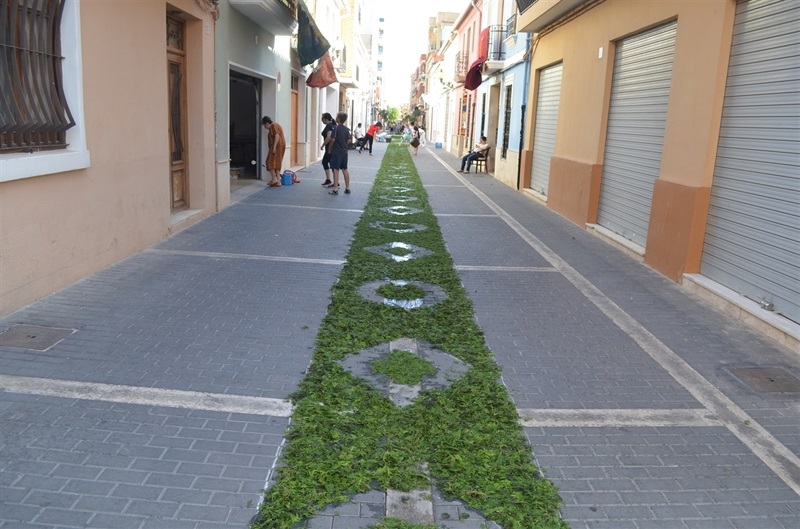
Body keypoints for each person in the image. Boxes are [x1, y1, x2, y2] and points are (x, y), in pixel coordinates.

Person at [328, 112, 352, 195]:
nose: (336, 117)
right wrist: (343, 144)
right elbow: (349, 140)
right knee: (345, 169)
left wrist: (329, 148)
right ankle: (347, 188)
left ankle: (335, 189)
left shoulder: (336, 128)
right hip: (344, 152)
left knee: (336, 169)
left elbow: (333, 140)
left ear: (338, 119)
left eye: (337, 116)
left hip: (336, 152)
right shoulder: (346, 129)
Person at [262, 116, 286, 186]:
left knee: (269, 162)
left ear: (267, 123)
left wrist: (274, 147)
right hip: (280, 146)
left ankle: (274, 178)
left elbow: (277, 135)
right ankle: (278, 181)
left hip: (277, 147)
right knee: (277, 163)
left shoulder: (273, 126)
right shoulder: (276, 125)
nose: (265, 127)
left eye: (264, 125)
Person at [320, 113, 335, 187]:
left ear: (326, 119)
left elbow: (329, 137)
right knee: (326, 162)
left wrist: (323, 145)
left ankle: (335, 182)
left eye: (322, 118)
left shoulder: (329, 126)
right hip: (329, 148)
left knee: (329, 163)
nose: (321, 120)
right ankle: (328, 180)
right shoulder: (331, 125)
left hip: (330, 149)